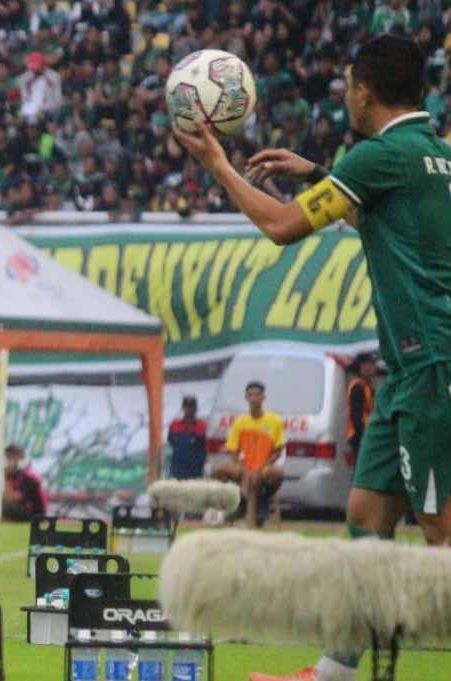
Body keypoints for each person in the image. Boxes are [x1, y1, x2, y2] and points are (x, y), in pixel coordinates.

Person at [175, 34, 451, 681]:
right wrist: (320, 175)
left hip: (433, 368)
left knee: (442, 538)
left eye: (349, 86)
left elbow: (280, 227)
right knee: (365, 516)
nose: (345, 96)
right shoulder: (431, 155)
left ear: (364, 90)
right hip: (409, 371)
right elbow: (388, 218)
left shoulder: (378, 156)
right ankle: (334, 671)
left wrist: (218, 162)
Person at [210, 381, 285, 529]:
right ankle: (224, 509)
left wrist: (261, 467)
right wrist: (243, 468)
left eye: (257, 395)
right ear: (246, 397)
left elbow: (278, 451)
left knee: (274, 474)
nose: (254, 398)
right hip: (244, 467)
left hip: (264, 468)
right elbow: (233, 450)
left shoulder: (274, 421)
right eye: (250, 395)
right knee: (217, 471)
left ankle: (252, 516)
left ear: (263, 397)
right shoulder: (240, 422)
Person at [345, 352, 377, 463]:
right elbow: (356, 417)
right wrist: (364, 435)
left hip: (365, 434)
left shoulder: (366, 385)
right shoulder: (358, 387)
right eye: (370, 364)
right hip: (359, 435)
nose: (373, 368)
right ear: (362, 366)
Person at [167, 395, 207, 479]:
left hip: (196, 470)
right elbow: (171, 442)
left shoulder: (202, 425)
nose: (189, 410)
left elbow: (205, 446)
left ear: (196, 408)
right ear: (183, 408)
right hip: (177, 469)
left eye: (192, 407)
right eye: (187, 407)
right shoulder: (174, 425)